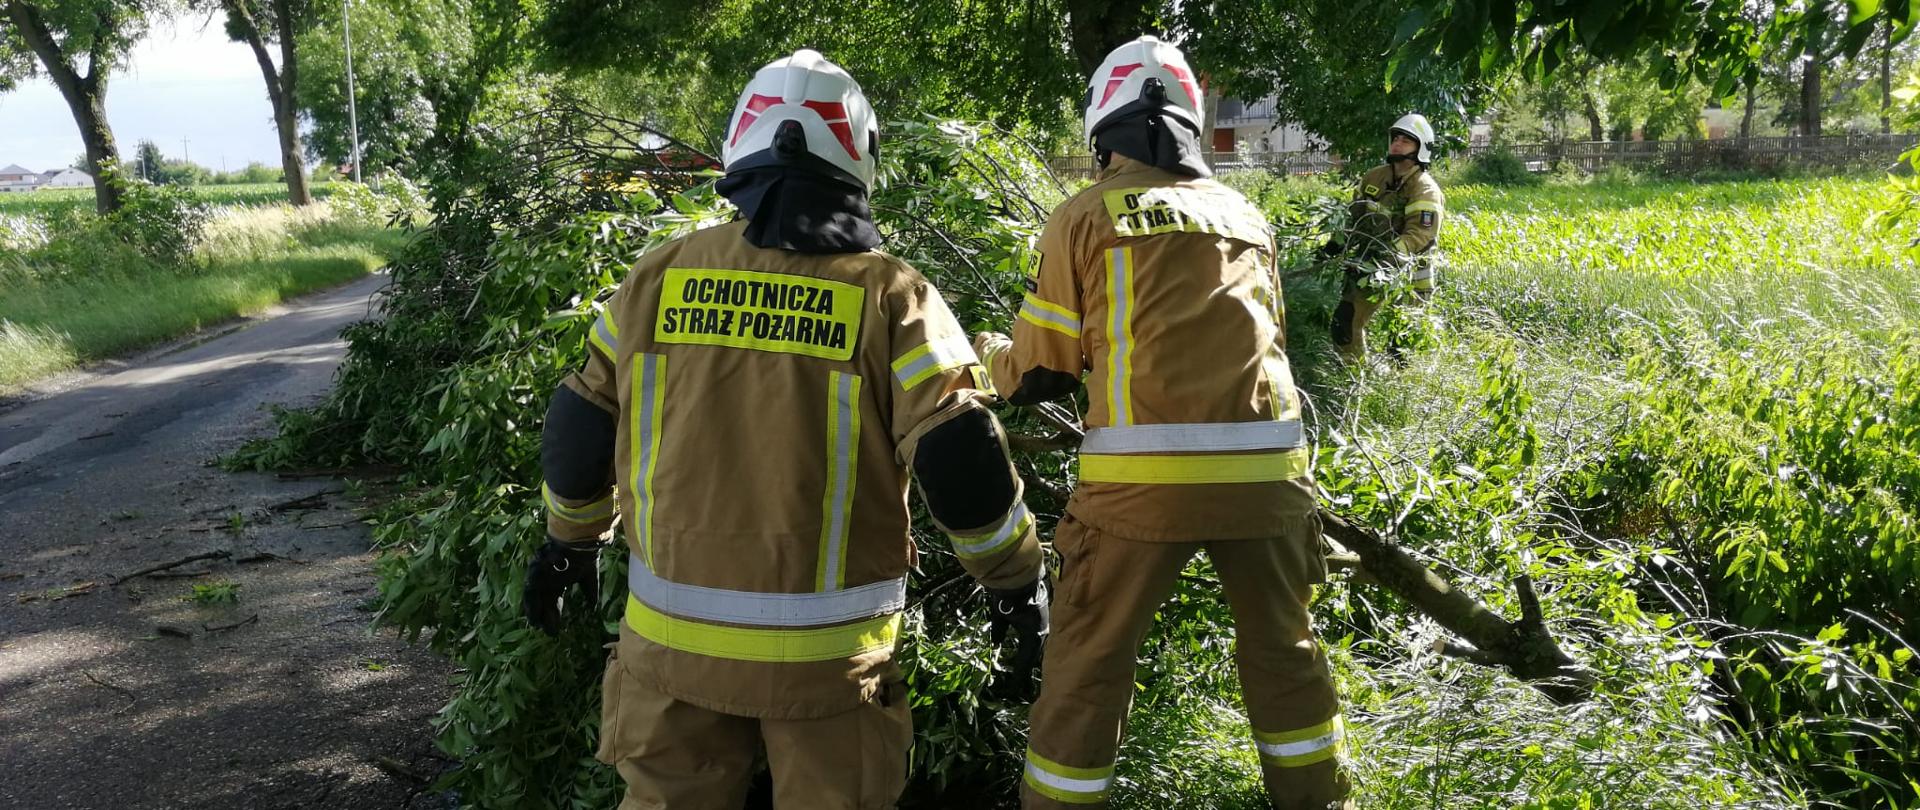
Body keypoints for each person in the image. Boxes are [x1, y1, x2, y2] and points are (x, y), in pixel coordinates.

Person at [523, 48, 1048, 809]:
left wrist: (567, 544)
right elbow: (958, 456)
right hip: (830, 672)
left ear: (743, 146)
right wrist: (1014, 582)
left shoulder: (656, 277)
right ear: (857, 159)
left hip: (669, 656)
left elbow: (580, 426)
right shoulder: (891, 296)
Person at [973, 35, 1353, 810]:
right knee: (1288, 657)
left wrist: (987, 356)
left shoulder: (1084, 215)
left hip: (1139, 492)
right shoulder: (1245, 214)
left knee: (1088, 667)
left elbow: (1042, 370)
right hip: (1270, 482)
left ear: (1103, 132)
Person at [1324, 113, 1446, 363]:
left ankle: (1399, 391)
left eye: (1406, 140)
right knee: (1344, 322)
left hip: (1409, 277)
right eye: (1396, 138)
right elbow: (1353, 218)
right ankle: (1355, 378)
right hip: (1368, 268)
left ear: (1420, 149)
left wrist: (1384, 256)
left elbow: (1419, 236)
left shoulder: (1425, 189)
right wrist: (1334, 245)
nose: (1397, 144)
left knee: (1401, 346)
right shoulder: (1374, 177)